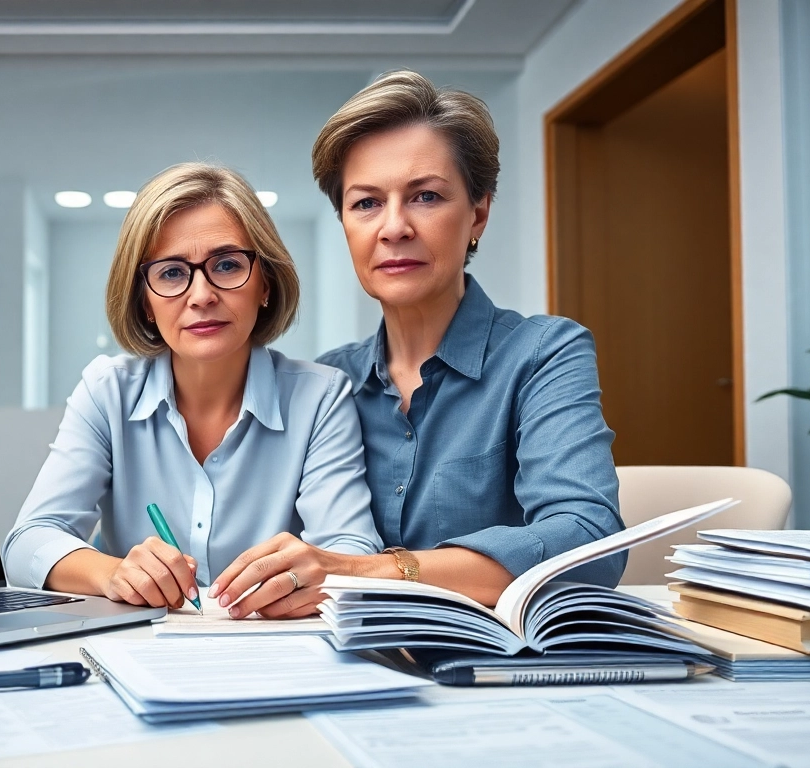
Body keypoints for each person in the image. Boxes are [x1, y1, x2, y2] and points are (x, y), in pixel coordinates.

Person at [210, 70, 626, 618]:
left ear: (478, 213)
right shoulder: (325, 385)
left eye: (425, 196)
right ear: (345, 224)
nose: (394, 227)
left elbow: (587, 542)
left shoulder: (544, 354)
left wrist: (369, 571)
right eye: (366, 204)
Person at [3, 162, 382, 609]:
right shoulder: (107, 391)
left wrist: (311, 577)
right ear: (144, 302)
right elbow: (27, 541)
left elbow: (351, 553)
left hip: (271, 651)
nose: (201, 296)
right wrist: (113, 573)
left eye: (226, 265)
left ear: (265, 284)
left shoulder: (320, 397)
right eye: (170, 273)